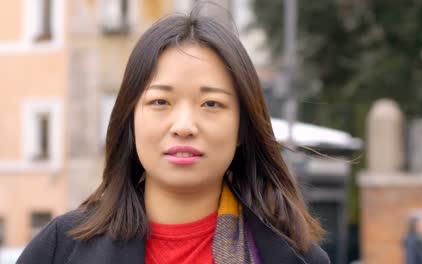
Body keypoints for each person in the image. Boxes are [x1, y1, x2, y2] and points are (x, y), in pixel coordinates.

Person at [16, 8, 330, 264]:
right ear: (130, 120)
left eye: (211, 104)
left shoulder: (293, 256)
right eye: (160, 102)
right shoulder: (60, 249)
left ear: (242, 129)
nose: (184, 125)